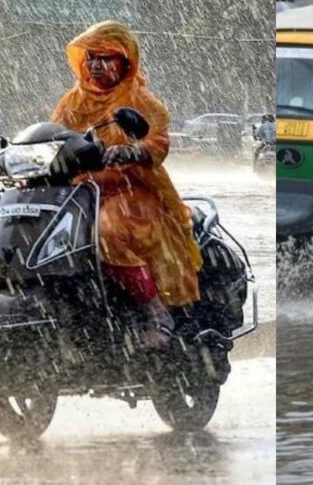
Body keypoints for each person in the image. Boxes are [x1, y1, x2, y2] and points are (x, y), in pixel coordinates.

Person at [50, 20, 202, 348]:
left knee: (105, 232)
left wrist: (133, 150)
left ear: (126, 63)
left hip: (131, 190)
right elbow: (52, 137)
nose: (97, 65)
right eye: (91, 57)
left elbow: (158, 143)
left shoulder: (142, 101)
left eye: (107, 58)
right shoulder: (71, 102)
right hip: (80, 193)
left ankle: (155, 311)